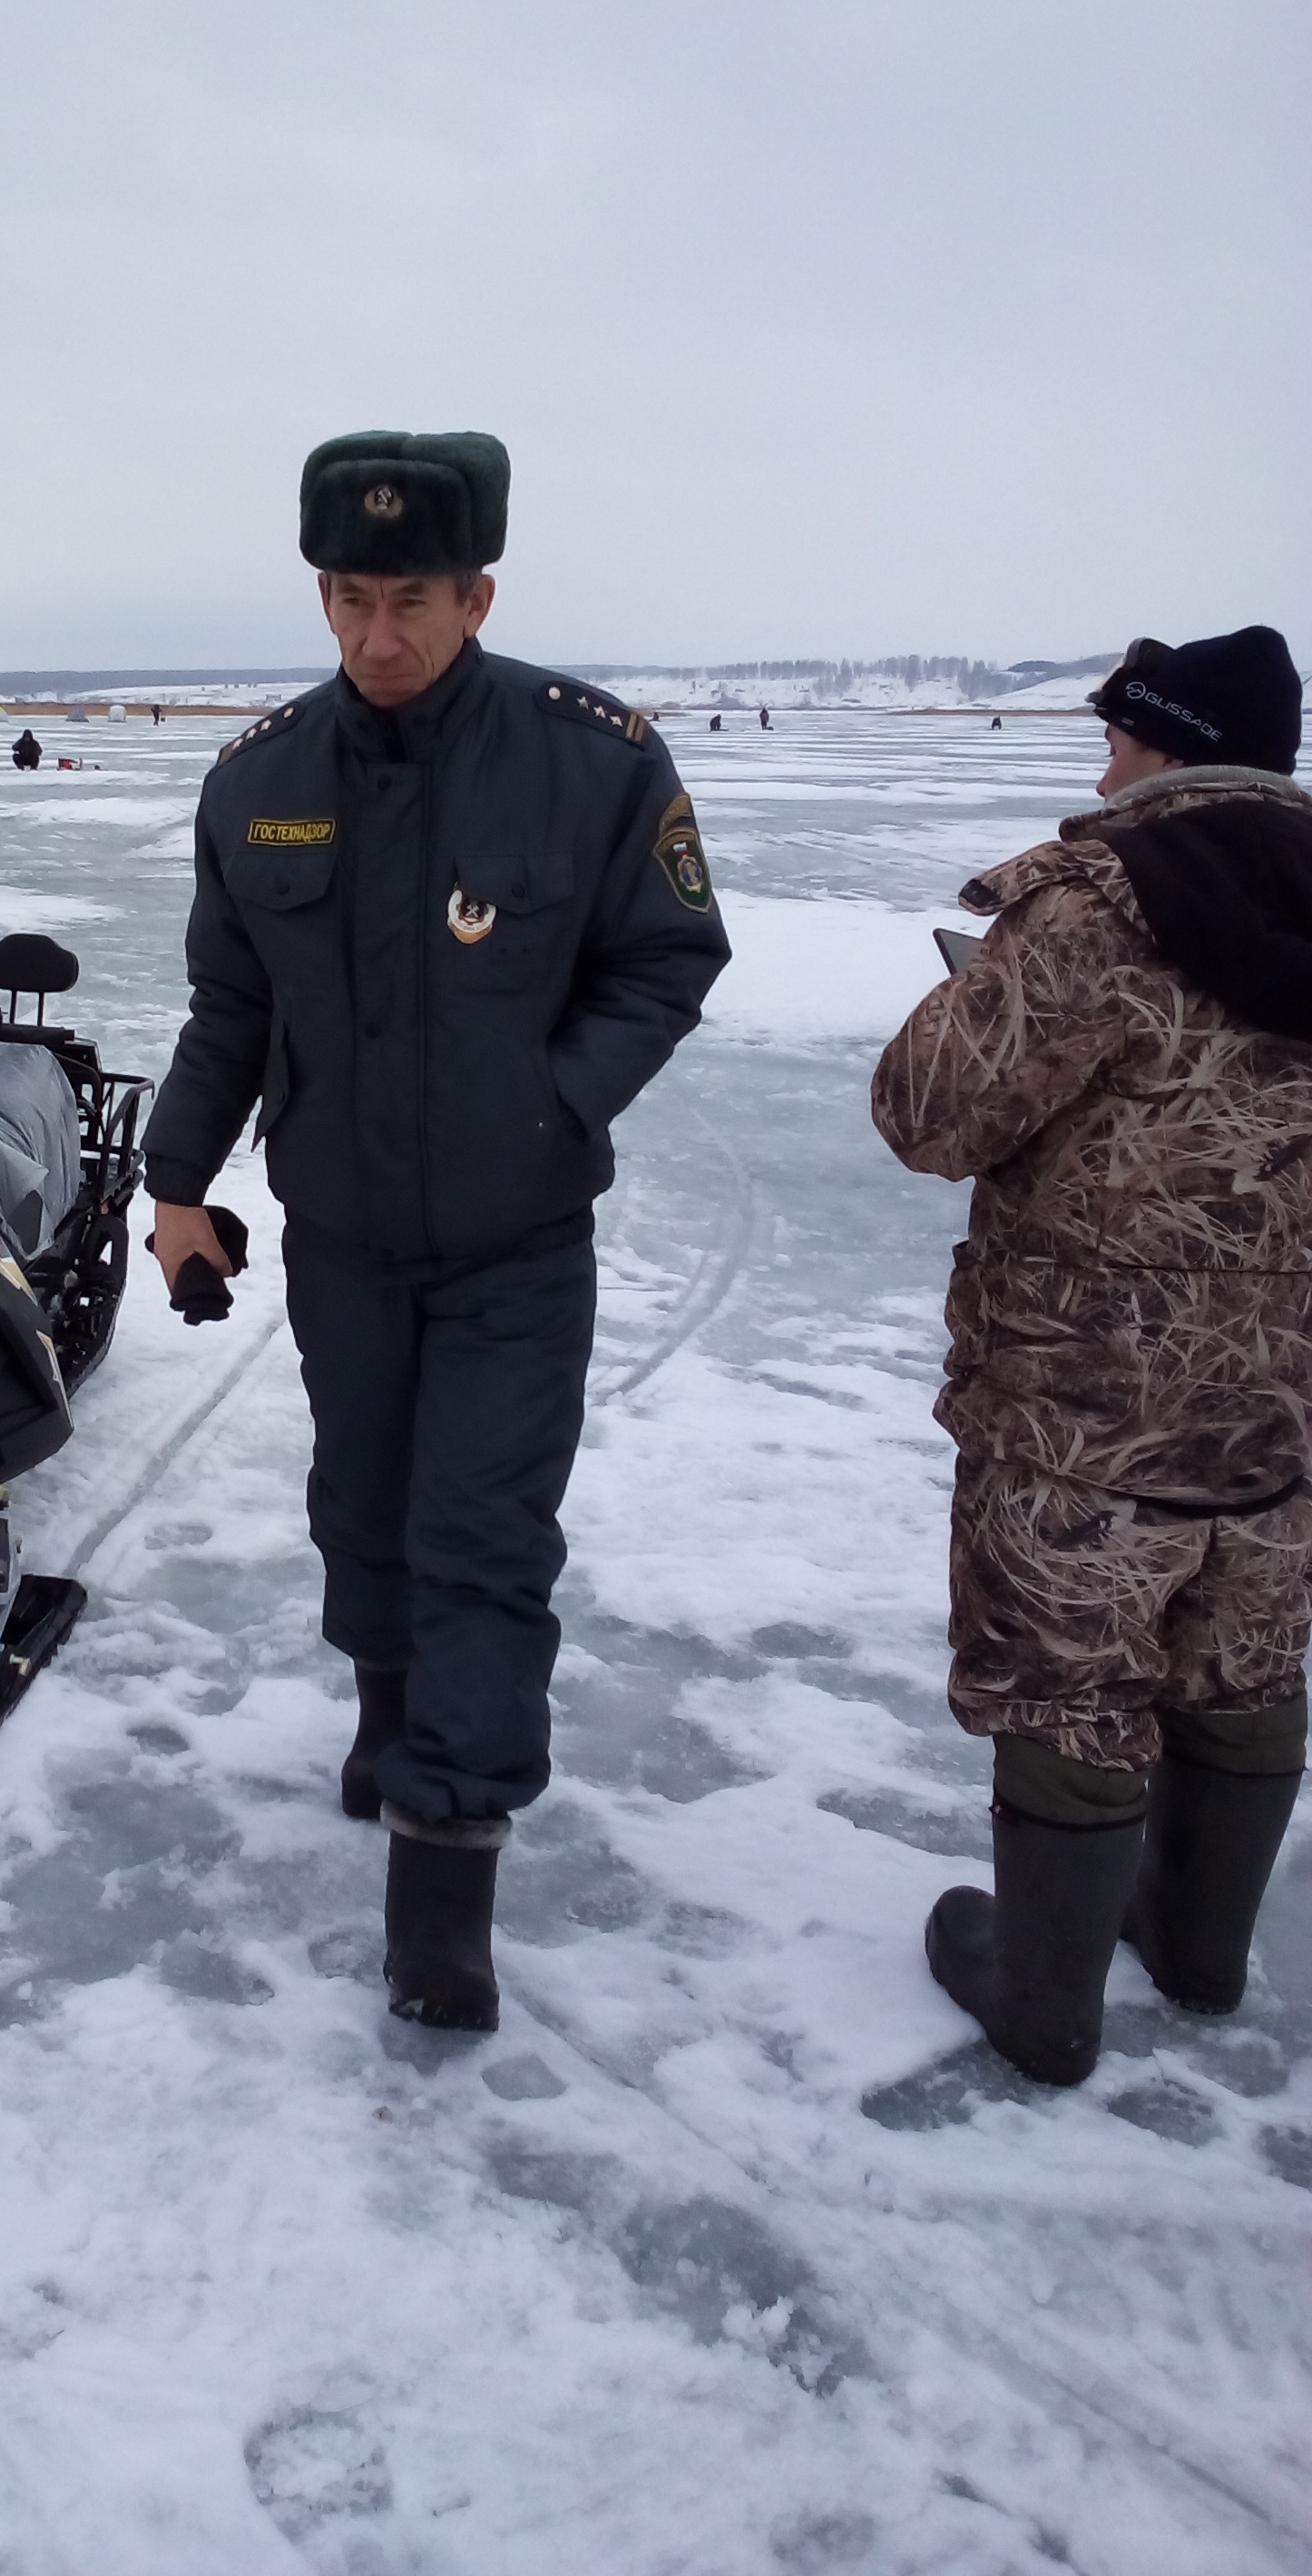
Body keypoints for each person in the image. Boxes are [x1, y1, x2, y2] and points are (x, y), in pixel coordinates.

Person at [143, 431, 730, 2030]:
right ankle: (388, 1711)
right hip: (339, 1232)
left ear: (478, 593)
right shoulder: (261, 780)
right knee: (367, 1503)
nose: (377, 638)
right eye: (348, 598)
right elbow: (230, 1002)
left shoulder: (592, 760)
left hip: (514, 1241)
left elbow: (669, 959)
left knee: (482, 1533)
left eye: (410, 600)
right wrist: (177, 1182)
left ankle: (445, 1871)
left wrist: (557, 1100)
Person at [873, 626, 1312, 2085]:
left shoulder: (1097, 908)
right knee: (1246, 1663)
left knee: (1070, 1680)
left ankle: (1046, 1999)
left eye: (1123, 730)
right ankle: (1199, 1948)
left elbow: (928, 1113)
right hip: (1288, 1421)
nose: (1104, 755)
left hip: (1085, 1421)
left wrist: (975, 992)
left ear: (1168, 740)